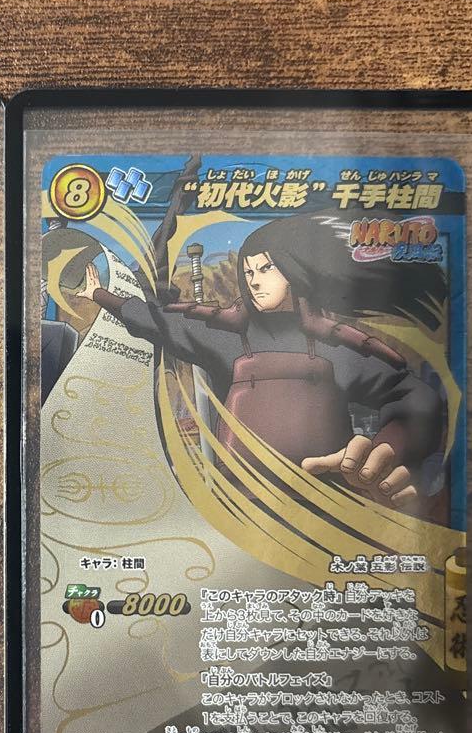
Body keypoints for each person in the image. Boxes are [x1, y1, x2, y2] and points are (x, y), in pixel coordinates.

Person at [77, 212, 446, 511]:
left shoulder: (333, 346)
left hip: (329, 504)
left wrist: (386, 449)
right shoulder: (222, 336)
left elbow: (416, 397)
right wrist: (100, 295)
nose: (254, 281)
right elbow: (154, 321)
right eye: (249, 271)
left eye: (266, 269)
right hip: (243, 505)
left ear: (294, 270)